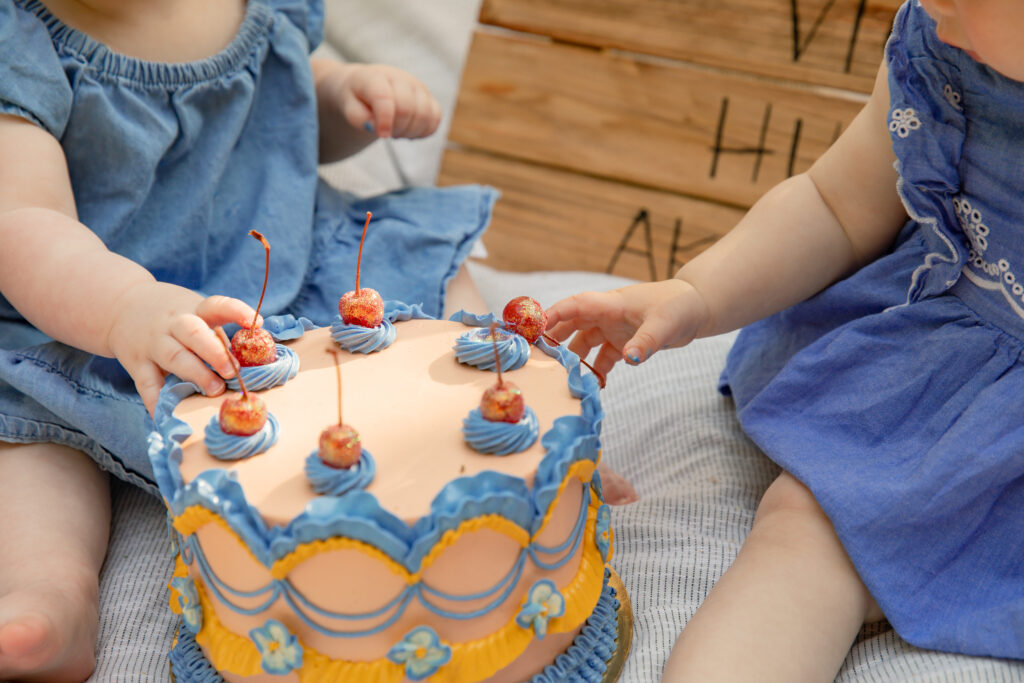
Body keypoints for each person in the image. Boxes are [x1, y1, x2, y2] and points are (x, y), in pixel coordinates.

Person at [0, 0, 502, 679]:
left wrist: (346, 98)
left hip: (283, 266)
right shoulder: (19, 44)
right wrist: (124, 307)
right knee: (32, 436)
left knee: (421, 267)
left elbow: (287, 115)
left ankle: (494, 425)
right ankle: (50, 591)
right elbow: (23, 221)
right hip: (91, 315)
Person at [546, 0, 1024, 680]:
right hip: (938, 385)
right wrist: (695, 295)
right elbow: (836, 204)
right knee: (808, 522)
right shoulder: (941, 48)